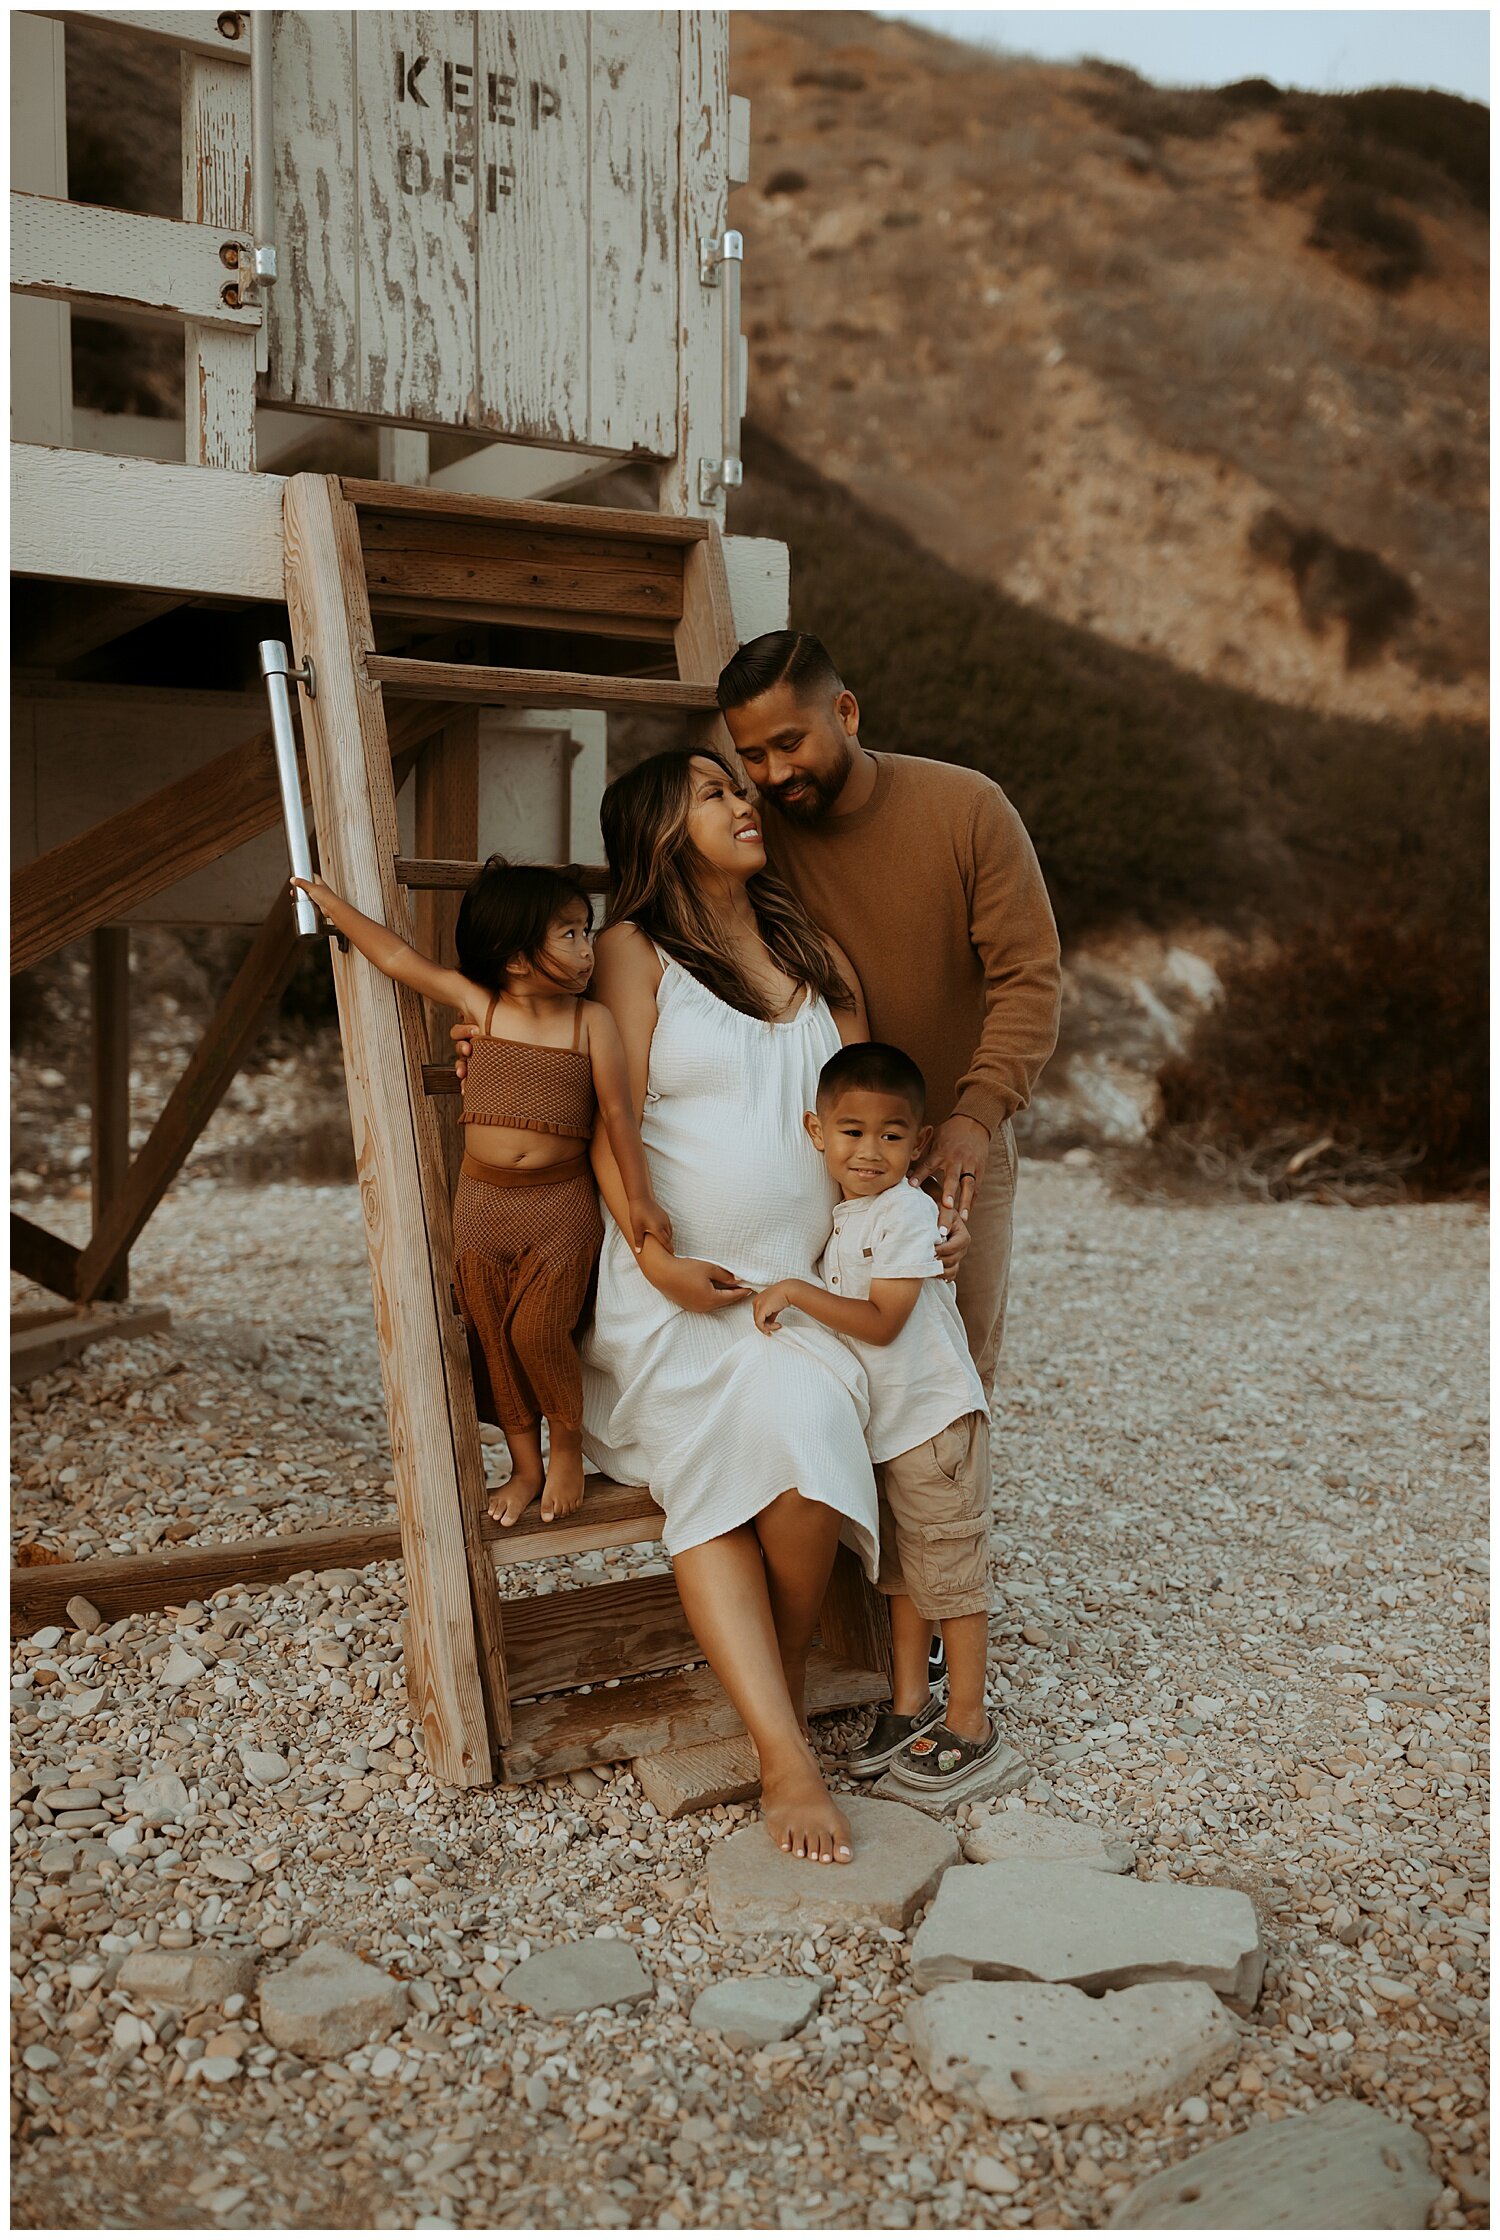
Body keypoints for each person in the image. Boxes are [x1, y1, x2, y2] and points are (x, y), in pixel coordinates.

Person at [479, 748, 889, 1865]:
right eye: (716, 790)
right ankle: (785, 1750)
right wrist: (654, 1255)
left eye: (741, 787)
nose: (745, 801)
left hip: (795, 1295)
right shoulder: (629, 949)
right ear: (661, 829)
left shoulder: (810, 948)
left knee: (804, 1462)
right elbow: (608, 1118)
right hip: (670, 1292)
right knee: (753, 1442)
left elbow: (860, 1106)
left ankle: (779, 1682)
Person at [718, 630, 1061, 1396]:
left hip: (956, 1144)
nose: (773, 774)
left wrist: (977, 1114)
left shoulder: (969, 807)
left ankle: (944, 1525)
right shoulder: (753, 838)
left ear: (846, 711)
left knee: (949, 1378)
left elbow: (1030, 977)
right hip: (812, 1157)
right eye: (752, 756)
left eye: (788, 743)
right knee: (820, 1374)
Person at [290, 859, 670, 1529]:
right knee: (494, 1338)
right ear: (517, 957)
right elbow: (397, 958)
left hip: (562, 1207)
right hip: (483, 1205)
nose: (587, 950)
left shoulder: (593, 1023)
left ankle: (568, 1443)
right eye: (570, 935)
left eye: (587, 931)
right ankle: (524, 1466)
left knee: (538, 1328)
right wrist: (331, 906)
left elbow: (618, 1118)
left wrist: (640, 1199)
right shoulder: (481, 1006)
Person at [754, 1042, 1002, 1796]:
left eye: (891, 1136)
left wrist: (794, 1291)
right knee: (900, 1577)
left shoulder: (904, 1212)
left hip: (935, 1428)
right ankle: (908, 1705)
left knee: (950, 1579)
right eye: (852, 1132)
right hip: (892, 1433)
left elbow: (884, 1321)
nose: (869, 1150)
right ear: (816, 1132)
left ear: (918, 1144)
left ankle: (970, 1722)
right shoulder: (851, 1211)